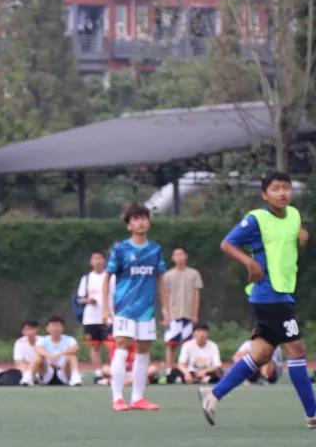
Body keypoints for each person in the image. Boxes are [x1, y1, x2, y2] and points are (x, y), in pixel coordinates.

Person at [200, 172, 316, 427]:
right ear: (265, 194)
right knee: (297, 350)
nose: (282, 193)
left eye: (286, 187)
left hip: (283, 292)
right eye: (276, 188)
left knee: (261, 354)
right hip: (269, 295)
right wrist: (249, 262)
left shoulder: (294, 215)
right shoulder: (257, 219)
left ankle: (213, 395)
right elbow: (227, 244)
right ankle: (313, 414)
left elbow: (292, 246)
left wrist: (302, 242)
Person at [104, 204, 167, 411]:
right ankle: (117, 398)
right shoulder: (120, 249)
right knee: (122, 346)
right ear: (129, 225)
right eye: (136, 219)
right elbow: (107, 277)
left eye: (144, 218)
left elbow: (161, 279)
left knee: (144, 350)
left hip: (146, 310)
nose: (141, 222)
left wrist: (165, 308)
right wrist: (106, 307)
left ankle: (138, 398)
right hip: (125, 308)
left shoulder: (155, 249)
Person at [163, 246, 203, 374]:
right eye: (176, 255)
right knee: (171, 344)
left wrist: (195, 314)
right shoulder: (168, 275)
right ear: (172, 258)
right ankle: (169, 371)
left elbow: (196, 294)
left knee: (188, 345)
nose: (179, 257)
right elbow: (165, 295)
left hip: (188, 315)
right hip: (173, 315)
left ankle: (188, 371)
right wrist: (166, 313)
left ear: (186, 256)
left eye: (181, 254)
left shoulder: (194, 274)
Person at [77, 251, 112, 380]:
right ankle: (98, 372)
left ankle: (113, 370)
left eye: (99, 258)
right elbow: (80, 298)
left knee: (111, 345)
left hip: (108, 317)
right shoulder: (86, 278)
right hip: (91, 318)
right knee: (94, 346)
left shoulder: (111, 277)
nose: (97, 261)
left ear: (104, 260)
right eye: (94, 259)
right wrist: (88, 300)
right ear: (90, 262)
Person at [22, 316, 82, 386]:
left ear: (62, 328)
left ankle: (75, 378)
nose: (55, 328)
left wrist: (59, 354)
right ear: (47, 328)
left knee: (71, 356)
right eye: (53, 326)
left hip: (63, 372)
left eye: (58, 326)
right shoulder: (43, 339)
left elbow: (75, 348)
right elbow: (38, 349)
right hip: (46, 372)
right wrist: (49, 356)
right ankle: (27, 378)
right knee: (39, 357)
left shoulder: (70, 339)